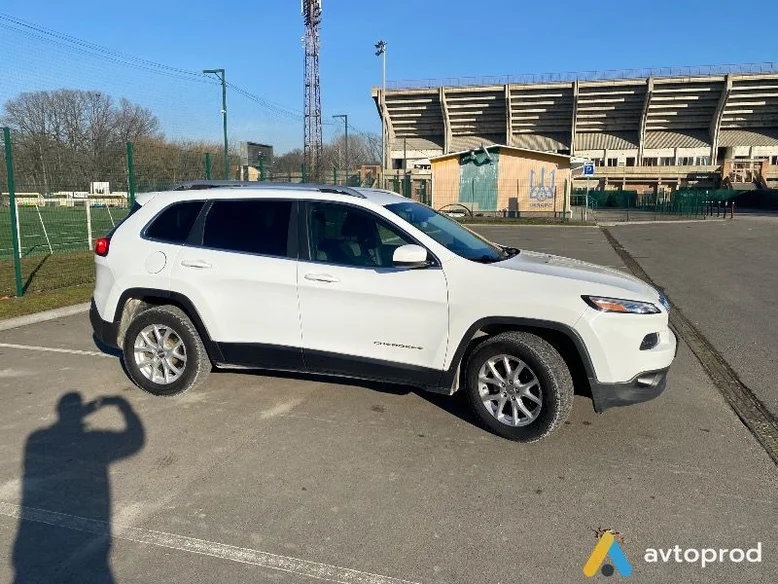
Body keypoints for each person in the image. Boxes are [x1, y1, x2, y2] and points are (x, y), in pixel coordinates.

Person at [12, 393, 145, 584]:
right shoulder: (94, 440)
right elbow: (136, 441)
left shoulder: (37, 438)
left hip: (31, 548)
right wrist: (123, 406)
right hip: (85, 541)